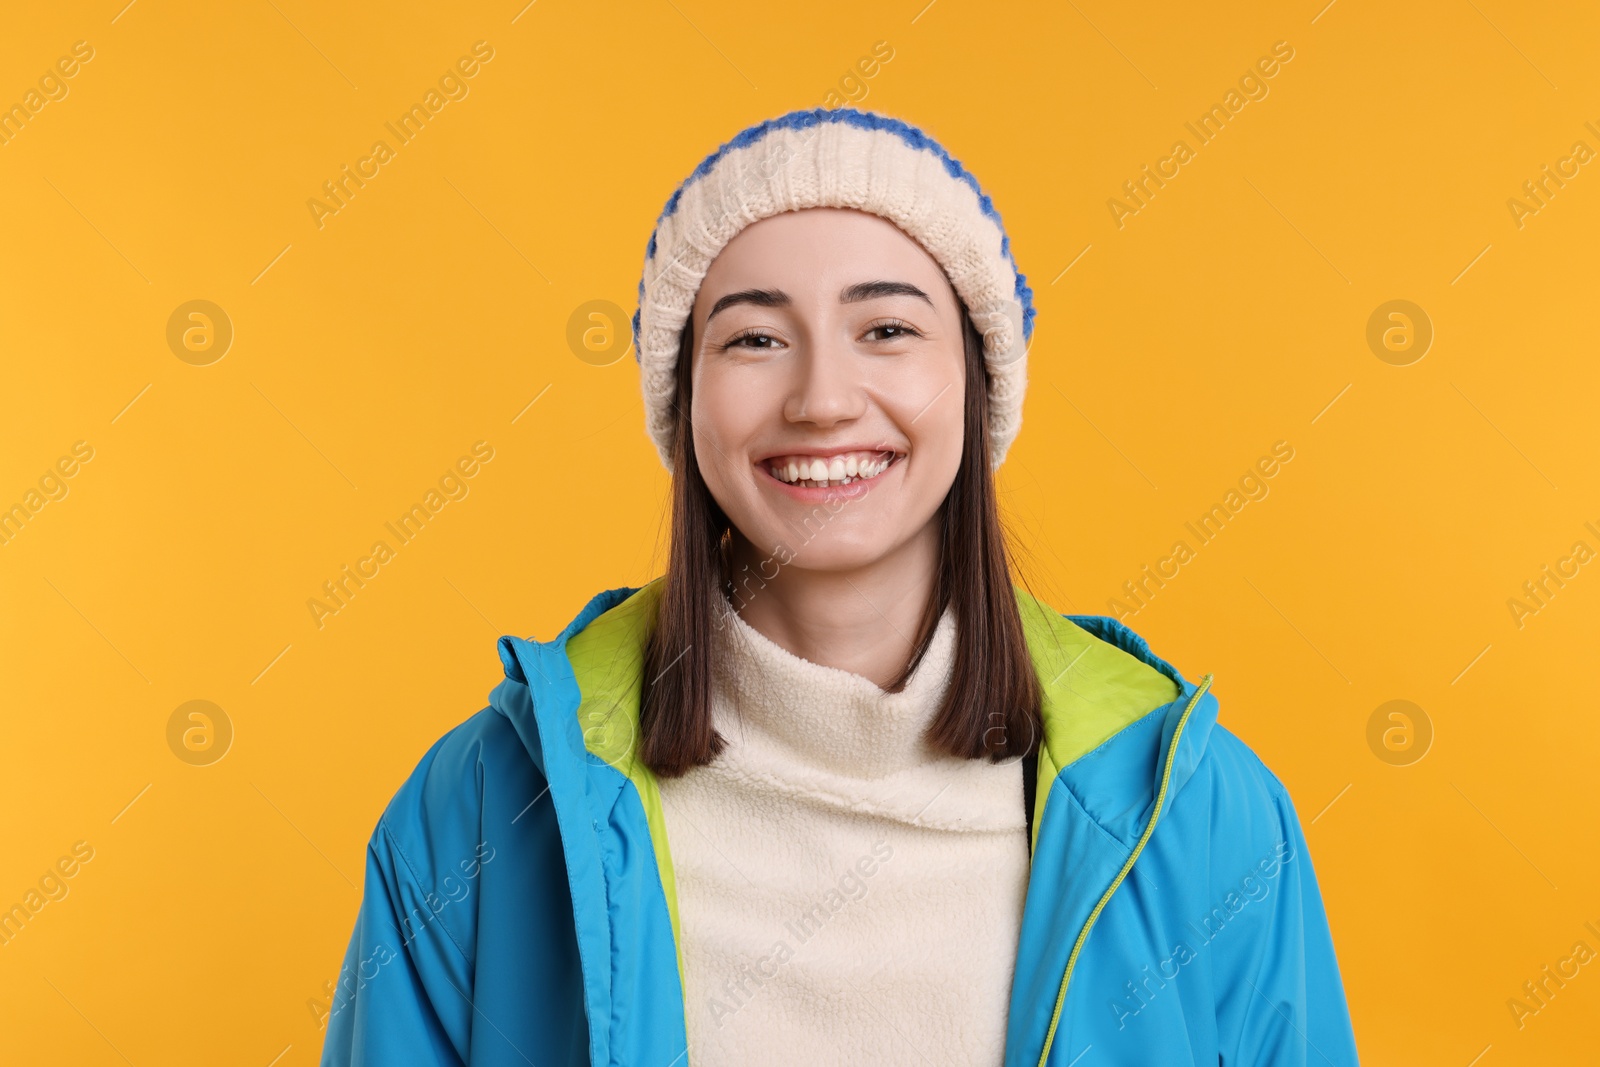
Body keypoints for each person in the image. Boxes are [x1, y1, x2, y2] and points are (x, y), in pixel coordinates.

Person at [319, 106, 1360, 1066]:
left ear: (976, 378)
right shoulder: (482, 811)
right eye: (755, 338)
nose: (821, 399)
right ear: (684, 402)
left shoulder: (1194, 812)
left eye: (888, 329)